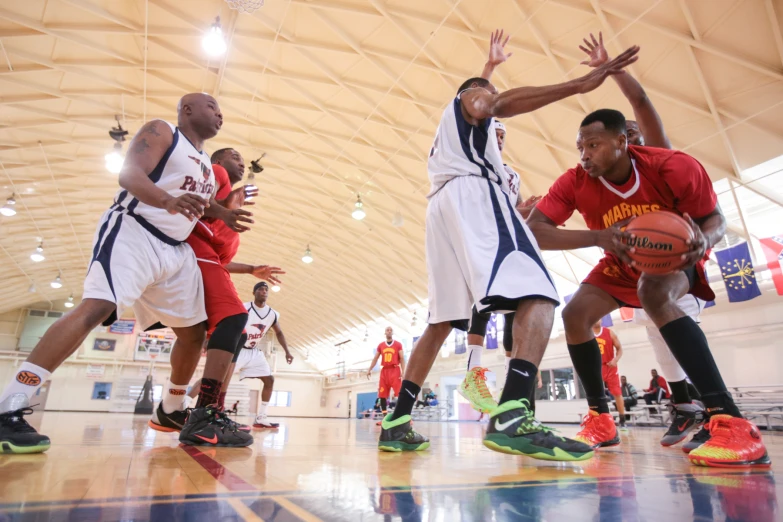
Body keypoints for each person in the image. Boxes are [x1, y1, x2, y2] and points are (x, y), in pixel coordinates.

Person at [377, 28, 640, 462]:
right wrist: (578, 85)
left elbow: (483, 99)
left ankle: (396, 420)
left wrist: (490, 67)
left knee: (441, 320)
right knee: (540, 293)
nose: (497, 128)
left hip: (444, 211)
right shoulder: (472, 108)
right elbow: (485, 98)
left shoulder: (464, 140)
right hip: (473, 197)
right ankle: (513, 413)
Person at [0, 93, 255, 453]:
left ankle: (171, 408)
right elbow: (129, 174)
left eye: (221, 110)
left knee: (193, 334)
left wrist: (223, 213)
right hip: (134, 230)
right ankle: (10, 403)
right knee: (97, 308)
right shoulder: (162, 131)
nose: (220, 114)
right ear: (187, 110)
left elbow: (197, 201)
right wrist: (166, 201)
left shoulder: (202, 163)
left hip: (174, 250)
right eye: (212, 107)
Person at [527, 107, 770, 467]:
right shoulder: (575, 181)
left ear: (621, 142)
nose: (584, 155)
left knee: (653, 293)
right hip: (620, 259)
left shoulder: (670, 165)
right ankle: (601, 419)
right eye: (580, 147)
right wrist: (598, 237)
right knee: (575, 314)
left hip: (676, 257)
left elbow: (715, 217)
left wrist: (705, 239)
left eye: (592, 145)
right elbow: (536, 229)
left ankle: (731, 421)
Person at [579, 31, 707, 449]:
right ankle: (685, 404)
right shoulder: (595, 177)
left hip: (674, 265)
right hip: (632, 271)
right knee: (656, 334)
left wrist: (614, 71)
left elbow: (642, 106)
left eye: (635, 135)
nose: (633, 138)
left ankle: (705, 407)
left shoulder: (660, 161)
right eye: (627, 134)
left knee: (675, 327)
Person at [149, 147, 283, 446]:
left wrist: (251, 268)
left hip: (204, 260)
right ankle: (205, 413)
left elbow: (219, 259)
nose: (241, 162)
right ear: (218, 162)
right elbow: (198, 204)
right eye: (235, 157)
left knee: (198, 336)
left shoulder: (224, 202)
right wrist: (223, 207)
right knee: (235, 318)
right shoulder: (215, 173)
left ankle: (175, 409)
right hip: (193, 255)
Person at [459, 31, 541, 415]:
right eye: (497, 132)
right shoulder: (472, 158)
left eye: (504, 135)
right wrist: (489, 68)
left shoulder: (510, 174)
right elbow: (478, 105)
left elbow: (516, 208)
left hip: (506, 236)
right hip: (477, 235)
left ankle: (518, 390)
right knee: (481, 303)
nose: (501, 139)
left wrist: (529, 211)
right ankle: (474, 372)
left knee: (525, 303)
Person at [229, 282, 293, 429]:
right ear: (254, 292)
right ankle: (189, 402)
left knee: (269, 380)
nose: (264, 291)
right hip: (238, 349)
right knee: (216, 378)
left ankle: (261, 417)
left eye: (266, 289)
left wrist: (287, 352)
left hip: (254, 351)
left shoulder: (273, 314)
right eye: (260, 289)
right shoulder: (243, 307)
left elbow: (279, 333)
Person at [367, 327, 406, 419]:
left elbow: (402, 358)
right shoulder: (381, 345)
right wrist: (369, 369)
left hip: (395, 370)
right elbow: (375, 358)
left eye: (390, 330)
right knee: (382, 395)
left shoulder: (398, 344)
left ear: (392, 333)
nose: (389, 331)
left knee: (399, 393)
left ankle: (400, 414)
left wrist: (403, 371)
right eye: (387, 330)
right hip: (384, 371)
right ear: (385, 333)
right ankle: (385, 417)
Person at [592, 322, 626, 429]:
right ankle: (599, 420)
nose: (597, 320)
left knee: (617, 393)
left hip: (610, 366)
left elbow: (620, 349)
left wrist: (615, 360)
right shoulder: (587, 334)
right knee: (595, 395)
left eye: (599, 318)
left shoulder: (609, 332)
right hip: (596, 367)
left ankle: (622, 420)